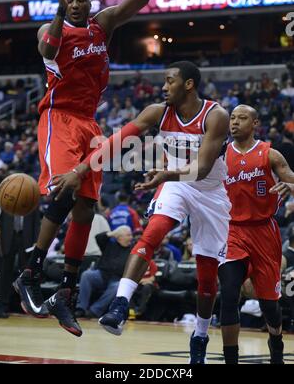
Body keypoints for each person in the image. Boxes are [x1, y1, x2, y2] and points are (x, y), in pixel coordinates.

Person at [13, 0, 174, 338]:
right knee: (66, 187)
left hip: (89, 121)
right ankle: (30, 271)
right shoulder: (52, 29)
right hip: (59, 118)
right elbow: (48, 49)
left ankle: (66, 290)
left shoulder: (102, 26)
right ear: (66, 1)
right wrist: (57, 9)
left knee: (86, 205)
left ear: (92, 3)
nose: (80, 2)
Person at [50, 61, 231, 363]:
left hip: (210, 191)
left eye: (170, 81)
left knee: (207, 278)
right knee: (152, 233)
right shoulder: (157, 112)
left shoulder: (216, 115)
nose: (163, 86)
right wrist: (80, 170)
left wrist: (164, 176)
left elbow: (200, 169)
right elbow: (112, 144)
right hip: (176, 184)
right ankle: (120, 306)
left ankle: (200, 335)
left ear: (188, 84)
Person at [218, 105, 294, 364]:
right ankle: (231, 360)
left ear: (255, 123)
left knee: (269, 305)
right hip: (231, 232)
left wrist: (291, 185)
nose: (235, 122)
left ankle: (276, 342)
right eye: (232, 118)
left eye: (242, 118)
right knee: (228, 294)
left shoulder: (270, 154)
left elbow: (291, 178)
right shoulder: (219, 153)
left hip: (264, 232)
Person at [75, 226, 134, 318]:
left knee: (119, 286)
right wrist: (113, 233)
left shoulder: (133, 249)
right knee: (87, 275)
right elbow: (98, 237)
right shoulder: (109, 245)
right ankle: (80, 308)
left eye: (131, 235)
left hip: (117, 279)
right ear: (119, 237)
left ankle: (94, 311)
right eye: (128, 235)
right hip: (101, 275)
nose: (131, 237)